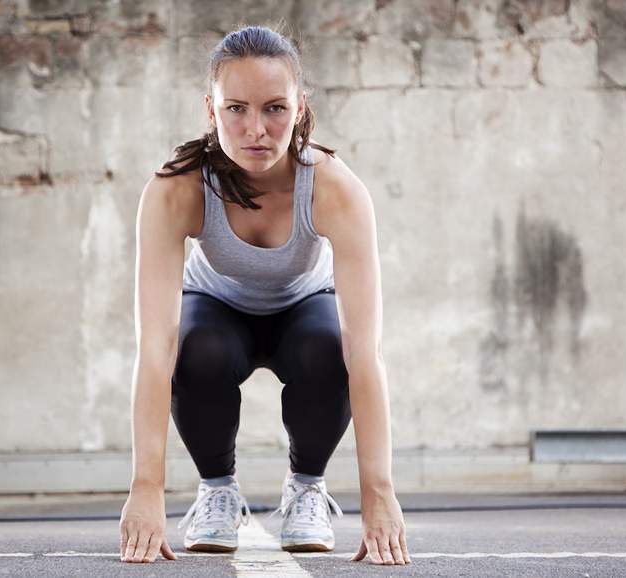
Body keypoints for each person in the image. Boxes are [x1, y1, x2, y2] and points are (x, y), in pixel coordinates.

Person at [119, 24, 411, 566]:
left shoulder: (334, 187)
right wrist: (146, 487)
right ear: (211, 110)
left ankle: (305, 488)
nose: (256, 129)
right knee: (194, 344)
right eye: (237, 109)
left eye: (275, 107)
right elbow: (154, 349)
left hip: (304, 308)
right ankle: (217, 490)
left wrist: (380, 493)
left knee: (330, 347)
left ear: (301, 108)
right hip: (216, 310)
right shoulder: (175, 188)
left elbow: (366, 354)